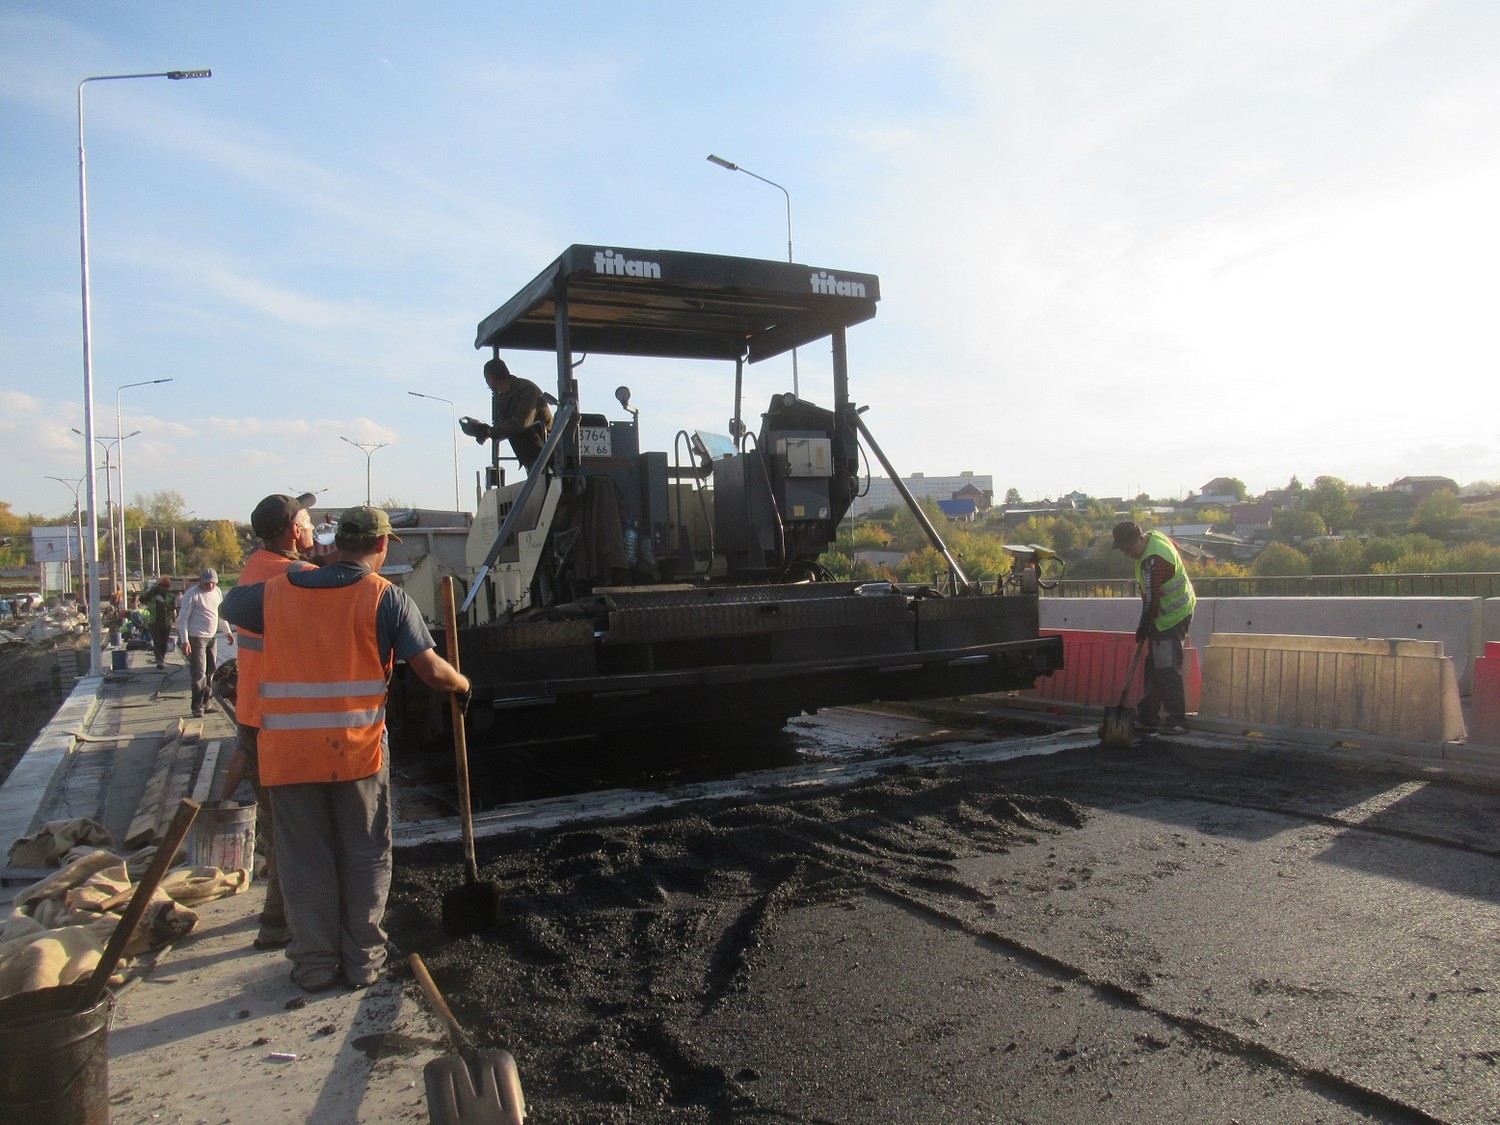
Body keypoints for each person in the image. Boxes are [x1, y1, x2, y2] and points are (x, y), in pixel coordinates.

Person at [221, 505, 470, 992]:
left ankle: (314, 964)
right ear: (380, 546)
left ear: (336, 544)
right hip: (355, 756)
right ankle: (361, 962)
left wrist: (284, 575)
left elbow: (230, 605)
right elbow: (430, 670)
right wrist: (462, 685)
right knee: (364, 855)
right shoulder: (385, 598)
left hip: (288, 758)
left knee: (303, 860)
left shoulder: (275, 593)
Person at [219, 494, 316, 951]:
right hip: (281, 720)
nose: (315, 526)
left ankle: (278, 914)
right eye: (309, 520)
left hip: (254, 714)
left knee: (277, 824)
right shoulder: (294, 576)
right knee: (293, 827)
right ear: (293, 531)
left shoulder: (255, 567)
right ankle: (277, 921)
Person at [1112, 521, 1197, 734]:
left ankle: (1177, 721)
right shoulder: (1154, 537)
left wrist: (1144, 625)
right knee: (1154, 667)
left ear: (1140, 539)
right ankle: (1148, 717)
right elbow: (1174, 545)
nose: (1128, 554)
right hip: (1168, 614)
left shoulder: (1152, 561)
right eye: (1123, 550)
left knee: (1167, 669)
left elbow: (1152, 599)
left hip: (1171, 617)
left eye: (1129, 549)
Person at [458, 355, 555, 472]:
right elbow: (503, 427)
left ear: (490, 378)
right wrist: (482, 430)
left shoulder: (527, 390)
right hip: (529, 454)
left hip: (547, 453)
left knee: (543, 486)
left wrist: (488, 431)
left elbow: (521, 422)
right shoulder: (502, 397)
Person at [178, 568, 227, 717]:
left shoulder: (217, 592)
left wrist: (228, 632)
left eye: (213, 583)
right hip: (196, 637)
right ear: (201, 582)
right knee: (199, 672)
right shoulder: (192, 594)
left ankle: (206, 702)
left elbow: (220, 614)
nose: (210, 586)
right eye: (207, 583)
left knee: (211, 670)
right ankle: (197, 707)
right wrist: (185, 641)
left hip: (212, 637)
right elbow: (183, 619)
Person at [147, 576, 176, 669]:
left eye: (165, 586)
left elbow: (173, 608)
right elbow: (141, 599)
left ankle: (162, 657)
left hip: (166, 622)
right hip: (154, 622)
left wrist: (163, 602)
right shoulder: (152, 595)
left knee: (164, 642)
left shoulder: (170, 596)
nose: (163, 588)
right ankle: (159, 660)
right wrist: (151, 591)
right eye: (161, 586)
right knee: (157, 642)